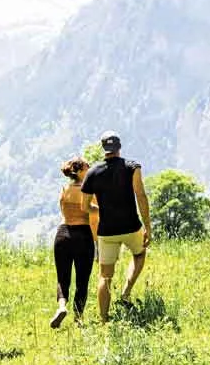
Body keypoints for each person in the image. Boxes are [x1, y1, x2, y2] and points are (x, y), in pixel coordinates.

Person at [79, 131, 151, 323]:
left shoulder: (92, 172)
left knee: (105, 276)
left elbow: (84, 207)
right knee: (139, 254)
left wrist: (101, 209)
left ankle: (103, 320)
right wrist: (148, 227)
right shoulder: (132, 167)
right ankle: (126, 293)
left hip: (106, 231)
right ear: (119, 147)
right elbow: (141, 197)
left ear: (104, 149)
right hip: (131, 227)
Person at [51, 158, 97, 328]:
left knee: (63, 278)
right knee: (82, 280)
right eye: (87, 166)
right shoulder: (89, 192)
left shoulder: (64, 190)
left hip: (62, 235)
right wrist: (97, 242)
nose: (90, 168)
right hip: (83, 235)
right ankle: (78, 319)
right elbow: (93, 218)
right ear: (80, 171)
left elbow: (63, 211)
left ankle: (62, 306)